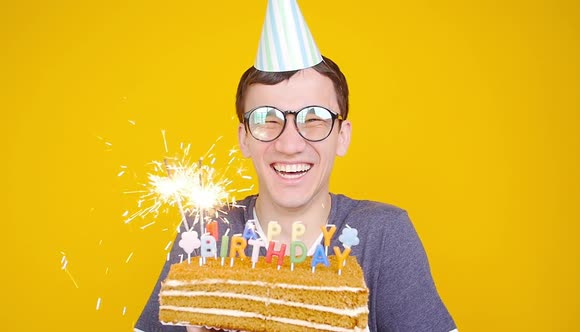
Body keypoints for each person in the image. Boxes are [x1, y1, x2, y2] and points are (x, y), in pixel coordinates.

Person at [134, 56, 457, 332]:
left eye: (314, 119)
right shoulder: (205, 231)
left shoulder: (382, 232)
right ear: (244, 138)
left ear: (342, 137)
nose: (289, 145)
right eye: (266, 120)